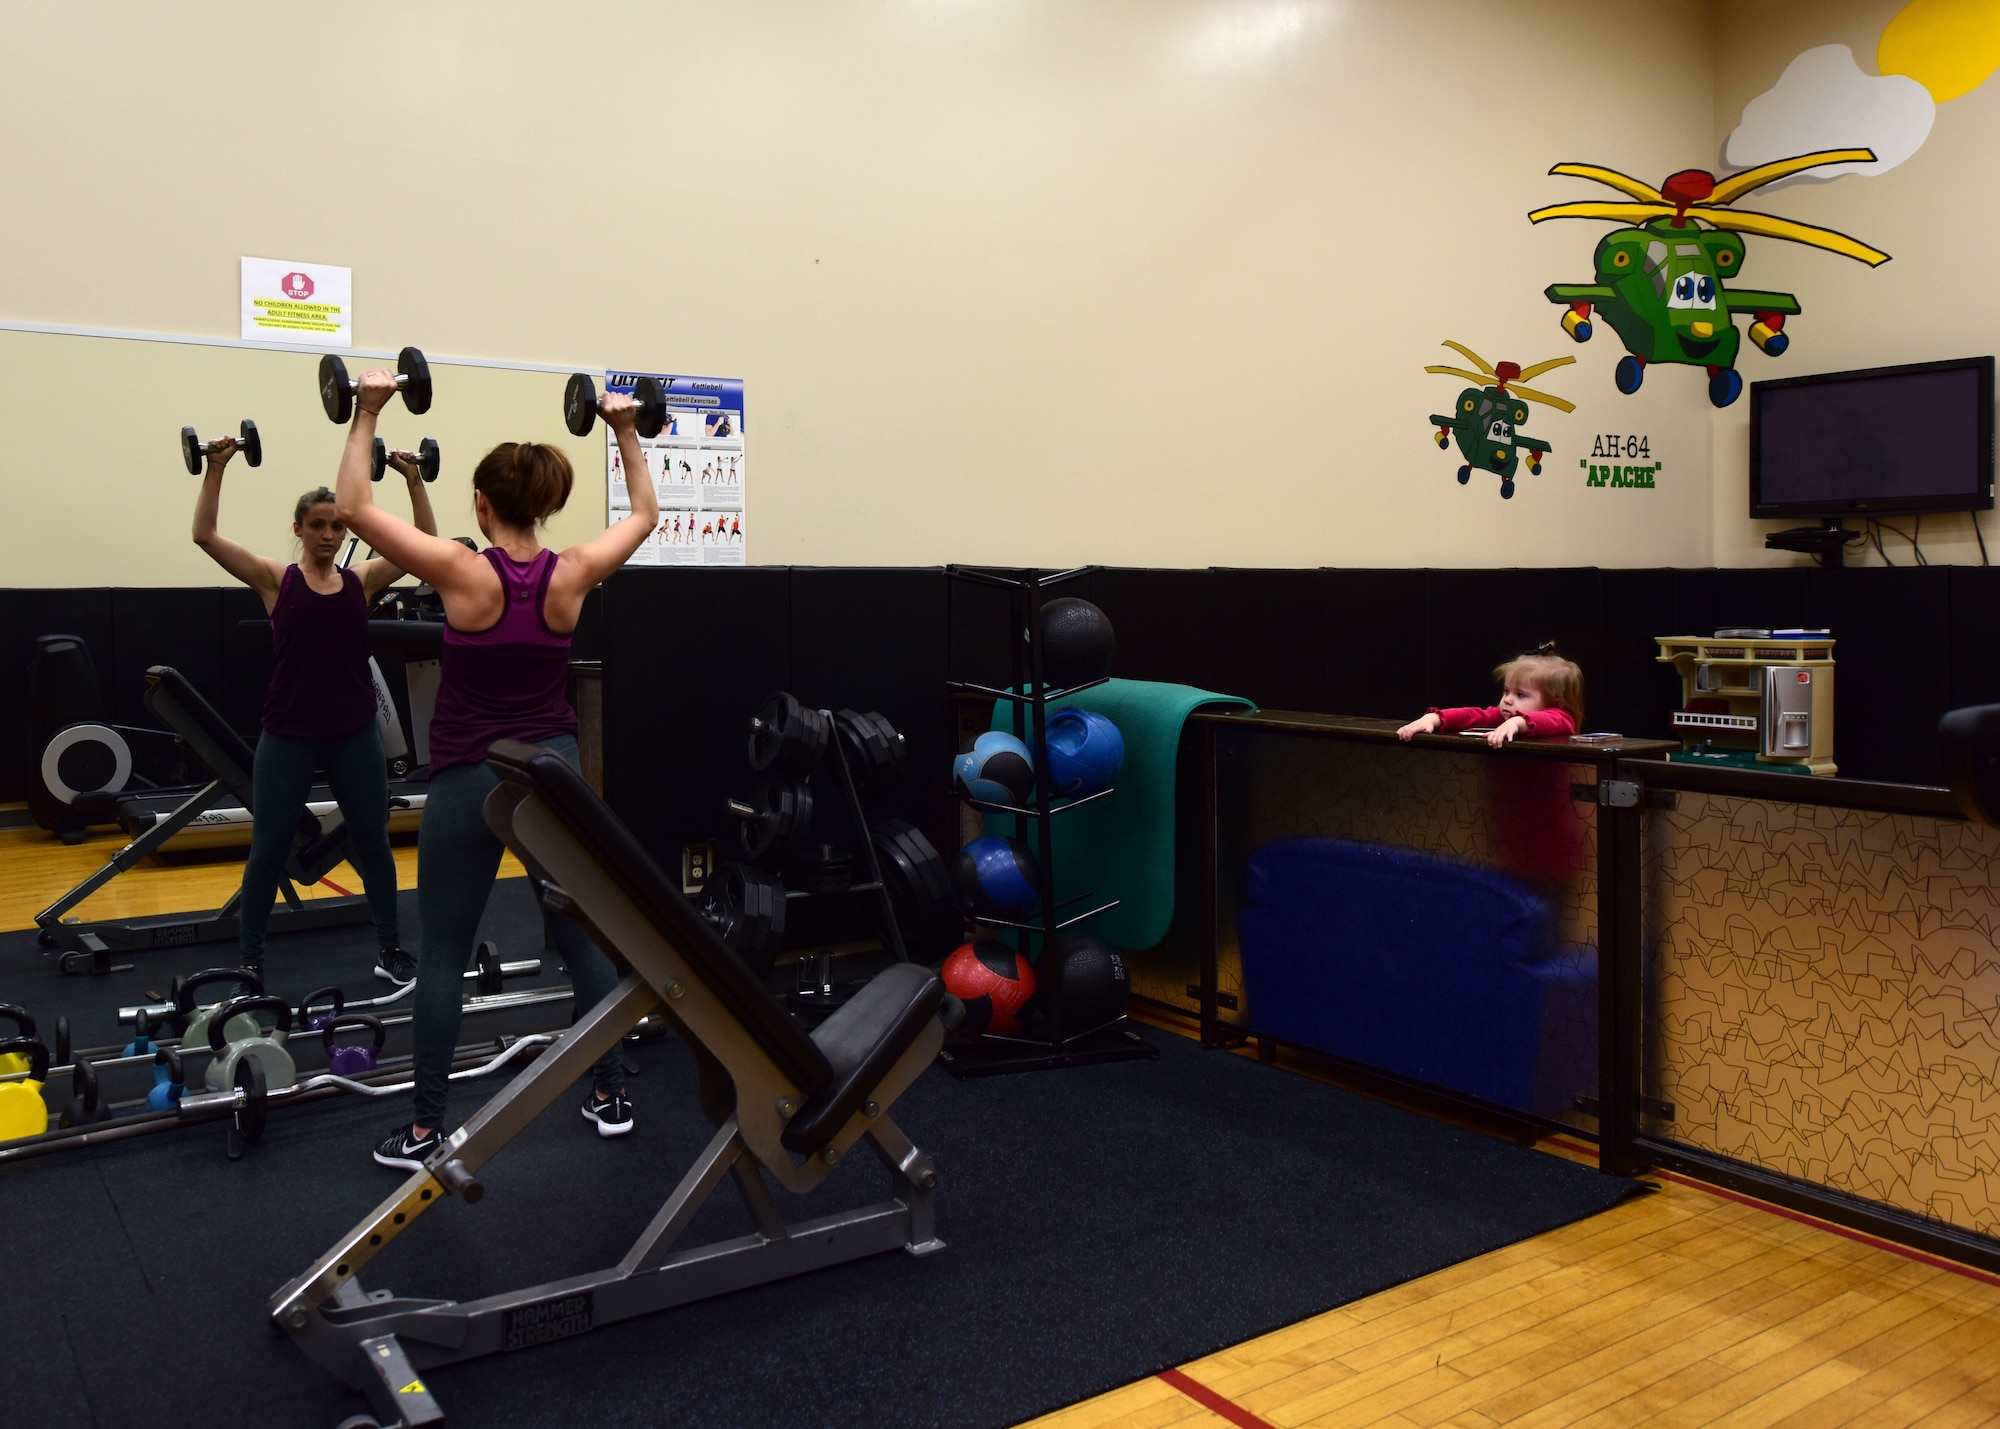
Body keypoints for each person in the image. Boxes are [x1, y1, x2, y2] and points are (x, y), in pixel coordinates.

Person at [331, 368, 658, 1170]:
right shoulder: (571, 573)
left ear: (482, 503)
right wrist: (622, 426)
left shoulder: (461, 572)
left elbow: (351, 510)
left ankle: (424, 1131)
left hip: (470, 780)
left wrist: (367, 409)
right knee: (577, 936)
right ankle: (612, 1090)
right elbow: (647, 515)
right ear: (543, 503)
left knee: (443, 952)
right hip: (551, 778)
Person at [190, 437, 438, 981]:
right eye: (318, 525)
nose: (329, 535)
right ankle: (250, 961)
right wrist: (215, 468)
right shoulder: (277, 580)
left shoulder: (362, 581)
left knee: (373, 839)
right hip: (289, 734)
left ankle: (390, 951)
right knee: (270, 846)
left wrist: (414, 480)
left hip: (353, 733)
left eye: (337, 526)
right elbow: (203, 535)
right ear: (299, 528)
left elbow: (425, 544)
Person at [1396, 651, 1584, 747]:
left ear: (1556, 701)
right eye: (1506, 691)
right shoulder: (1505, 718)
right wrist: (1434, 718)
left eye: (1520, 695)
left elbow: (1555, 719)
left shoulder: (1563, 718)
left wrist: (1518, 722)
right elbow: (1474, 715)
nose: (1508, 700)